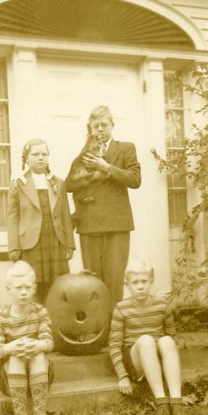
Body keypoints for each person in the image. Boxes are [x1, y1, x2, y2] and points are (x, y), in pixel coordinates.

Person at [65, 106, 141, 310]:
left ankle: (115, 331)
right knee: (92, 281)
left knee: (115, 280)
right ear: (90, 128)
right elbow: (69, 185)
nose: (100, 130)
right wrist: (91, 177)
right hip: (89, 224)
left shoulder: (126, 148)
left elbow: (135, 179)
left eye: (104, 125)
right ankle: (97, 330)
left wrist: (106, 168)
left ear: (112, 125)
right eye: (95, 126)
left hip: (117, 224)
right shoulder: (84, 154)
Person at [108, 261, 192, 415]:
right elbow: (114, 345)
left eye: (144, 282)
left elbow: (172, 337)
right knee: (146, 340)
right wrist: (122, 376)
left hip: (156, 361)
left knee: (167, 341)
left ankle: (176, 405)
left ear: (151, 281)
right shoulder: (121, 308)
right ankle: (161, 404)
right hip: (136, 361)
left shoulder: (162, 305)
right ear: (127, 285)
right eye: (135, 282)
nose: (140, 286)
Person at [0, 261, 54, 415]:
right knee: (17, 356)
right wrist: (11, 347)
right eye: (19, 288)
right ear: (9, 289)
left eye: (28, 287)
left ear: (34, 288)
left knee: (37, 353)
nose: (24, 292)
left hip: (39, 371)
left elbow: (49, 343)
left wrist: (37, 345)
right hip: (8, 376)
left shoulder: (40, 312)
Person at [8, 138, 75, 303]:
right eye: (35, 154)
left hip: (55, 241)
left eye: (44, 154)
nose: (40, 158)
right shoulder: (18, 183)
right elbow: (12, 217)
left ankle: (55, 324)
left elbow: (65, 214)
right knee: (33, 286)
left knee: (58, 287)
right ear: (26, 158)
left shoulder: (57, 182)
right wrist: (14, 247)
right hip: (31, 243)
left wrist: (69, 243)